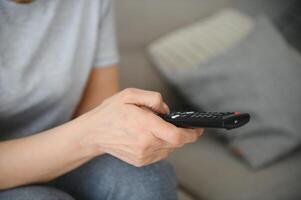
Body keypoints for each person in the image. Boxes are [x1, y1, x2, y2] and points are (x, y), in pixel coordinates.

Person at [0, 0, 203, 199]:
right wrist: (89, 136)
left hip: (66, 148)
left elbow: (96, 110)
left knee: (149, 178)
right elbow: (92, 129)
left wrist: (122, 129)